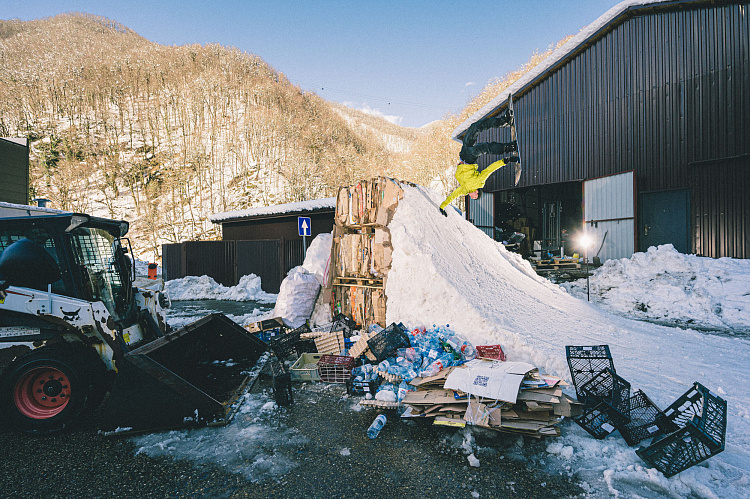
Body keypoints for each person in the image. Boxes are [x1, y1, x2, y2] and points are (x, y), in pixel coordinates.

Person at [439, 112, 520, 216]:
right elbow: (489, 170)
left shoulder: (463, 190)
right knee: (482, 146)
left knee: (473, 128)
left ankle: (504, 123)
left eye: (472, 198)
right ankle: (505, 130)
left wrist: (442, 206)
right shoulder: (479, 182)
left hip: (462, 155)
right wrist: (505, 161)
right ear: (477, 192)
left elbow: (452, 196)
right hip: (469, 160)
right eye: (474, 197)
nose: (471, 197)